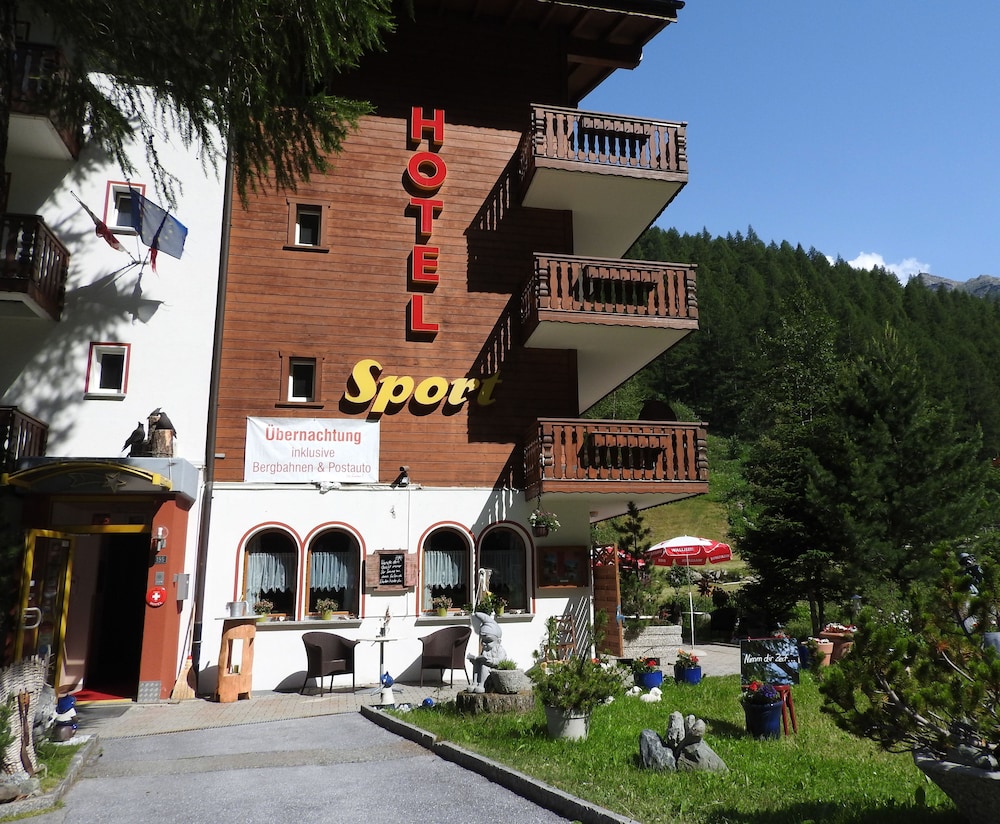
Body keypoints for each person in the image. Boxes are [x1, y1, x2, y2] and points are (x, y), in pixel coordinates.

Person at [466, 612, 507, 693]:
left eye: (488, 641)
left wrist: (490, 661)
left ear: (498, 641)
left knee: (484, 666)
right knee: (477, 664)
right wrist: (475, 660)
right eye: (483, 641)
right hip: (486, 667)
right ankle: (475, 683)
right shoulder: (485, 650)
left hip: (494, 668)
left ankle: (482, 685)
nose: (484, 644)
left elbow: (501, 660)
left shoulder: (499, 649)